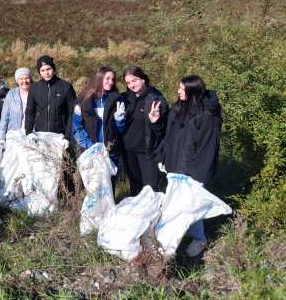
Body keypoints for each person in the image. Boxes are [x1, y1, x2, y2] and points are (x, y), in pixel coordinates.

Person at [158, 74, 222, 257]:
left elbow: (209, 147)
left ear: (193, 92)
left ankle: (199, 239)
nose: (178, 91)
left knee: (188, 207)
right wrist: (164, 159)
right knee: (179, 206)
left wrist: (198, 175)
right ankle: (178, 238)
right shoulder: (178, 108)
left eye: (181, 89)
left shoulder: (207, 115)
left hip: (193, 170)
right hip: (175, 166)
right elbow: (169, 137)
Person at [72, 66, 126, 191]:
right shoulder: (83, 99)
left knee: (109, 185)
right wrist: (89, 146)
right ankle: (92, 209)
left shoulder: (117, 100)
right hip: (89, 149)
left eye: (113, 79)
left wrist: (120, 120)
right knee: (92, 185)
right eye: (107, 78)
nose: (111, 82)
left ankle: (109, 209)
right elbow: (76, 127)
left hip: (110, 150)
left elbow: (121, 130)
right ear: (99, 78)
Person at [120, 66, 168, 195]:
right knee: (135, 186)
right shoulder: (124, 98)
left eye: (134, 81)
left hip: (148, 150)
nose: (131, 85)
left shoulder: (156, 99)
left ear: (143, 79)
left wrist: (155, 122)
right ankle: (137, 213)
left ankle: (153, 214)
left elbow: (163, 130)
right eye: (128, 83)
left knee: (150, 189)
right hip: (129, 150)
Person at [25, 55, 76, 140]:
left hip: (60, 135)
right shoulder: (34, 88)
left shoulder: (66, 87)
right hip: (40, 135)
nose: (46, 73)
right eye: (43, 70)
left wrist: (67, 137)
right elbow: (30, 112)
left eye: (48, 69)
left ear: (54, 69)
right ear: (39, 72)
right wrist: (29, 132)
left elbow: (72, 113)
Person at [0, 67, 32, 145]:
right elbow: (4, 117)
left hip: (31, 135)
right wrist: (1, 137)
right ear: (17, 81)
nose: (24, 81)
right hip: (14, 134)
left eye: (27, 78)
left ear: (30, 79)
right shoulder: (11, 94)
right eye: (21, 79)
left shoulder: (36, 92)